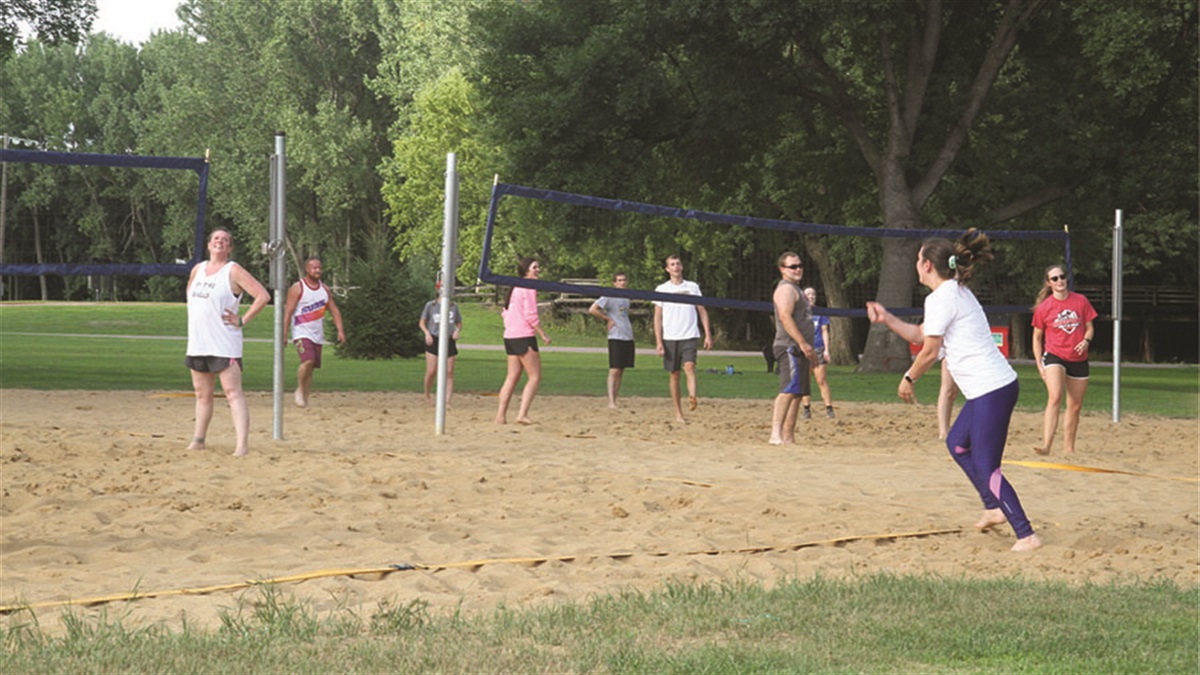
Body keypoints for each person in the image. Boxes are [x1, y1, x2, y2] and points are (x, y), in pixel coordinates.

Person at [867, 228, 1042, 552]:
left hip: (992, 389)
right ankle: (993, 508)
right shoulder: (953, 292)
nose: (916, 265)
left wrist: (908, 378)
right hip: (989, 389)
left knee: (988, 467)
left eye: (918, 259)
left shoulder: (943, 297)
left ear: (927, 265)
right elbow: (920, 334)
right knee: (958, 444)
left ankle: (1026, 534)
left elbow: (929, 351)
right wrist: (887, 318)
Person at [185, 228, 270, 458]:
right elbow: (190, 296)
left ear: (230, 247)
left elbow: (262, 296)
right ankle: (198, 440)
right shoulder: (198, 269)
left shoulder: (233, 270)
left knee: (233, 393)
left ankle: (242, 446)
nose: (219, 242)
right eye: (216, 239)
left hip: (224, 343)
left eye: (225, 240)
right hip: (199, 342)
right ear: (208, 244)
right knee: (202, 394)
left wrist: (242, 320)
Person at [1031, 264, 1097, 455]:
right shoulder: (1044, 308)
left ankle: (1069, 449)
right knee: (1055, 396)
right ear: (1048, 283)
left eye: (1062, 277)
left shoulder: (1080, 301)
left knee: (1075, 405)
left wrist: (1086, 340)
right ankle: (1047, 445)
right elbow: (1036, 338)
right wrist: (1039, 365)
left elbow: (1090, 328)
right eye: (1055, 278)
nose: (1059, 281)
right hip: (1055, 355)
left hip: (1078, 357)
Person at [653, 255, 713, 422]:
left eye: (678, 263)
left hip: (689, 334)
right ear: (667, 269)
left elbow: (702, 310)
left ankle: (692, 396)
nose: (676, 266)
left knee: (690, 366)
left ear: (682, 267)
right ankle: (678, 413)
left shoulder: (692, 287)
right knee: (674, 374)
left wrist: (708, 334)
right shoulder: (662, 289)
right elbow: (657, 317)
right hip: (670, 336)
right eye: (672, 264)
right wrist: (658, 341)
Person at [283, 256, 346, 408]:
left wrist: (340, 330)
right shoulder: (298, 288)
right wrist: (284, 333)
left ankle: (305, 397)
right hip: (301, 332)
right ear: (307, 269)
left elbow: (334, 309)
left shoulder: (325, 290)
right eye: (314, 268)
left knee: (311, 368)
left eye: (319, 268)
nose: (317, 270)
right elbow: (288, 312)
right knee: (308, 360)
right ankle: (299, 389)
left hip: (317, 333)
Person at [496, 257, 551, 425]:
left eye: (538, 267)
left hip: (510, 336)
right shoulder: (528, 287)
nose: (538, 270)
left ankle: (500, 416)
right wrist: (543, 334)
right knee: (535, 377)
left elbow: (505, 313)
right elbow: (530, 314)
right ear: (526, 270)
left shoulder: (514, 287)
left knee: (512, 377)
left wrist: (511, 327)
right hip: (523, 335)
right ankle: (522, 414)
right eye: (535, 267)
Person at [769, 253, 817, 444]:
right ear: (782, 269)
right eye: (793, 266)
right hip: (789, 346)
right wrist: (802, 343)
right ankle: (775, 434)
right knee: (788, 389)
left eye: (800, 265)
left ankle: (788, 436)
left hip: (799, 348)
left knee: (797, 393)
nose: (798, 269)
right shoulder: (786, 289)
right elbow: (784, 316)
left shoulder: (796, 289)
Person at [588, 272, 635, 409]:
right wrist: (608, 319)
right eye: (619, 280)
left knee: (621, 370)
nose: (622, 282)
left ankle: (615, 399)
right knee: (614, 369)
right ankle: (611, 401)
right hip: (616, 336)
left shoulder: (626, 297)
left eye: (624, 280)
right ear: (614, 283)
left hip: (627, 335)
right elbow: (593, 309)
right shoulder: (609, 296)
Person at [418, 284, 463, 406]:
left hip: (449, 340)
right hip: (434, 339)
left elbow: (459, 322)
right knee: (432, 370)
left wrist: (457, 331)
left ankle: (447, 401)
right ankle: (427, 395)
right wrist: (427, 333)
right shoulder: (431, 305)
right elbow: (422, 322)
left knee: (449, 371)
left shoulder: (453, 306)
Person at [800, 287, 835, 419]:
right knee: (805, 380)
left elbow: (824, 331)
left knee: (821, 380)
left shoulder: (820, 312)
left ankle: (829, 409)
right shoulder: (800, 313)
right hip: (805, 349)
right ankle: (806, 409)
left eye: (813, 294)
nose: (811, 296)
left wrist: (827, 350)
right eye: (808, 294)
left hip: (818, 348)